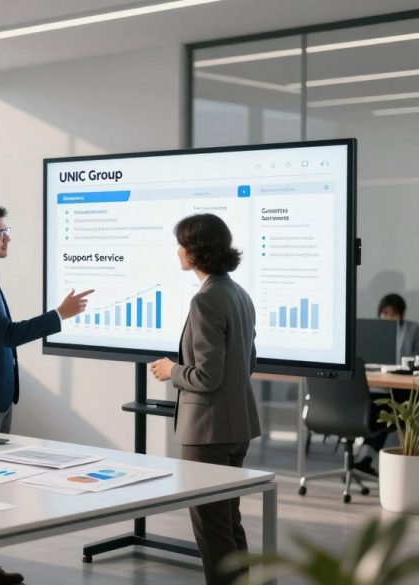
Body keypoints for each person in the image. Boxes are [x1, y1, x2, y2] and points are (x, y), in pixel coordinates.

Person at [0, 203, 92, 585]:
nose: (7, 238)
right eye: (0, 233)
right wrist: (60, 315)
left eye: (7, 231)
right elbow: (7, 334)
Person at [149, 213, 259, 585]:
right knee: (228, 521)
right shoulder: (238, 294)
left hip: (208, 432)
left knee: (212, 529)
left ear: (195, 251)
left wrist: (171, 371)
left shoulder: (206, 300)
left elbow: (207, 376)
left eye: (182, 243)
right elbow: (247, 362)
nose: (178, 251)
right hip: (237, 425)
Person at [355, 293, 419, 476]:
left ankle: (366, 457)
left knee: (392, 409)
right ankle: (366, 458)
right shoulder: (373, 332)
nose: (388, 317)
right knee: (382, 409)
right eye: (384, 313)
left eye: (393, 313)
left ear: (401, 314)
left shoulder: (413, 330)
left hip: (404, 388)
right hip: (376, 387)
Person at [377, 293, 419, 363]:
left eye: (394, 314)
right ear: (379, 313)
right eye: (385, 313)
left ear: (401, 315)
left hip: (404, 372)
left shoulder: (414, 329)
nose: (389, 318)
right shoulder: (374, 330)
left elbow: (417, 355)